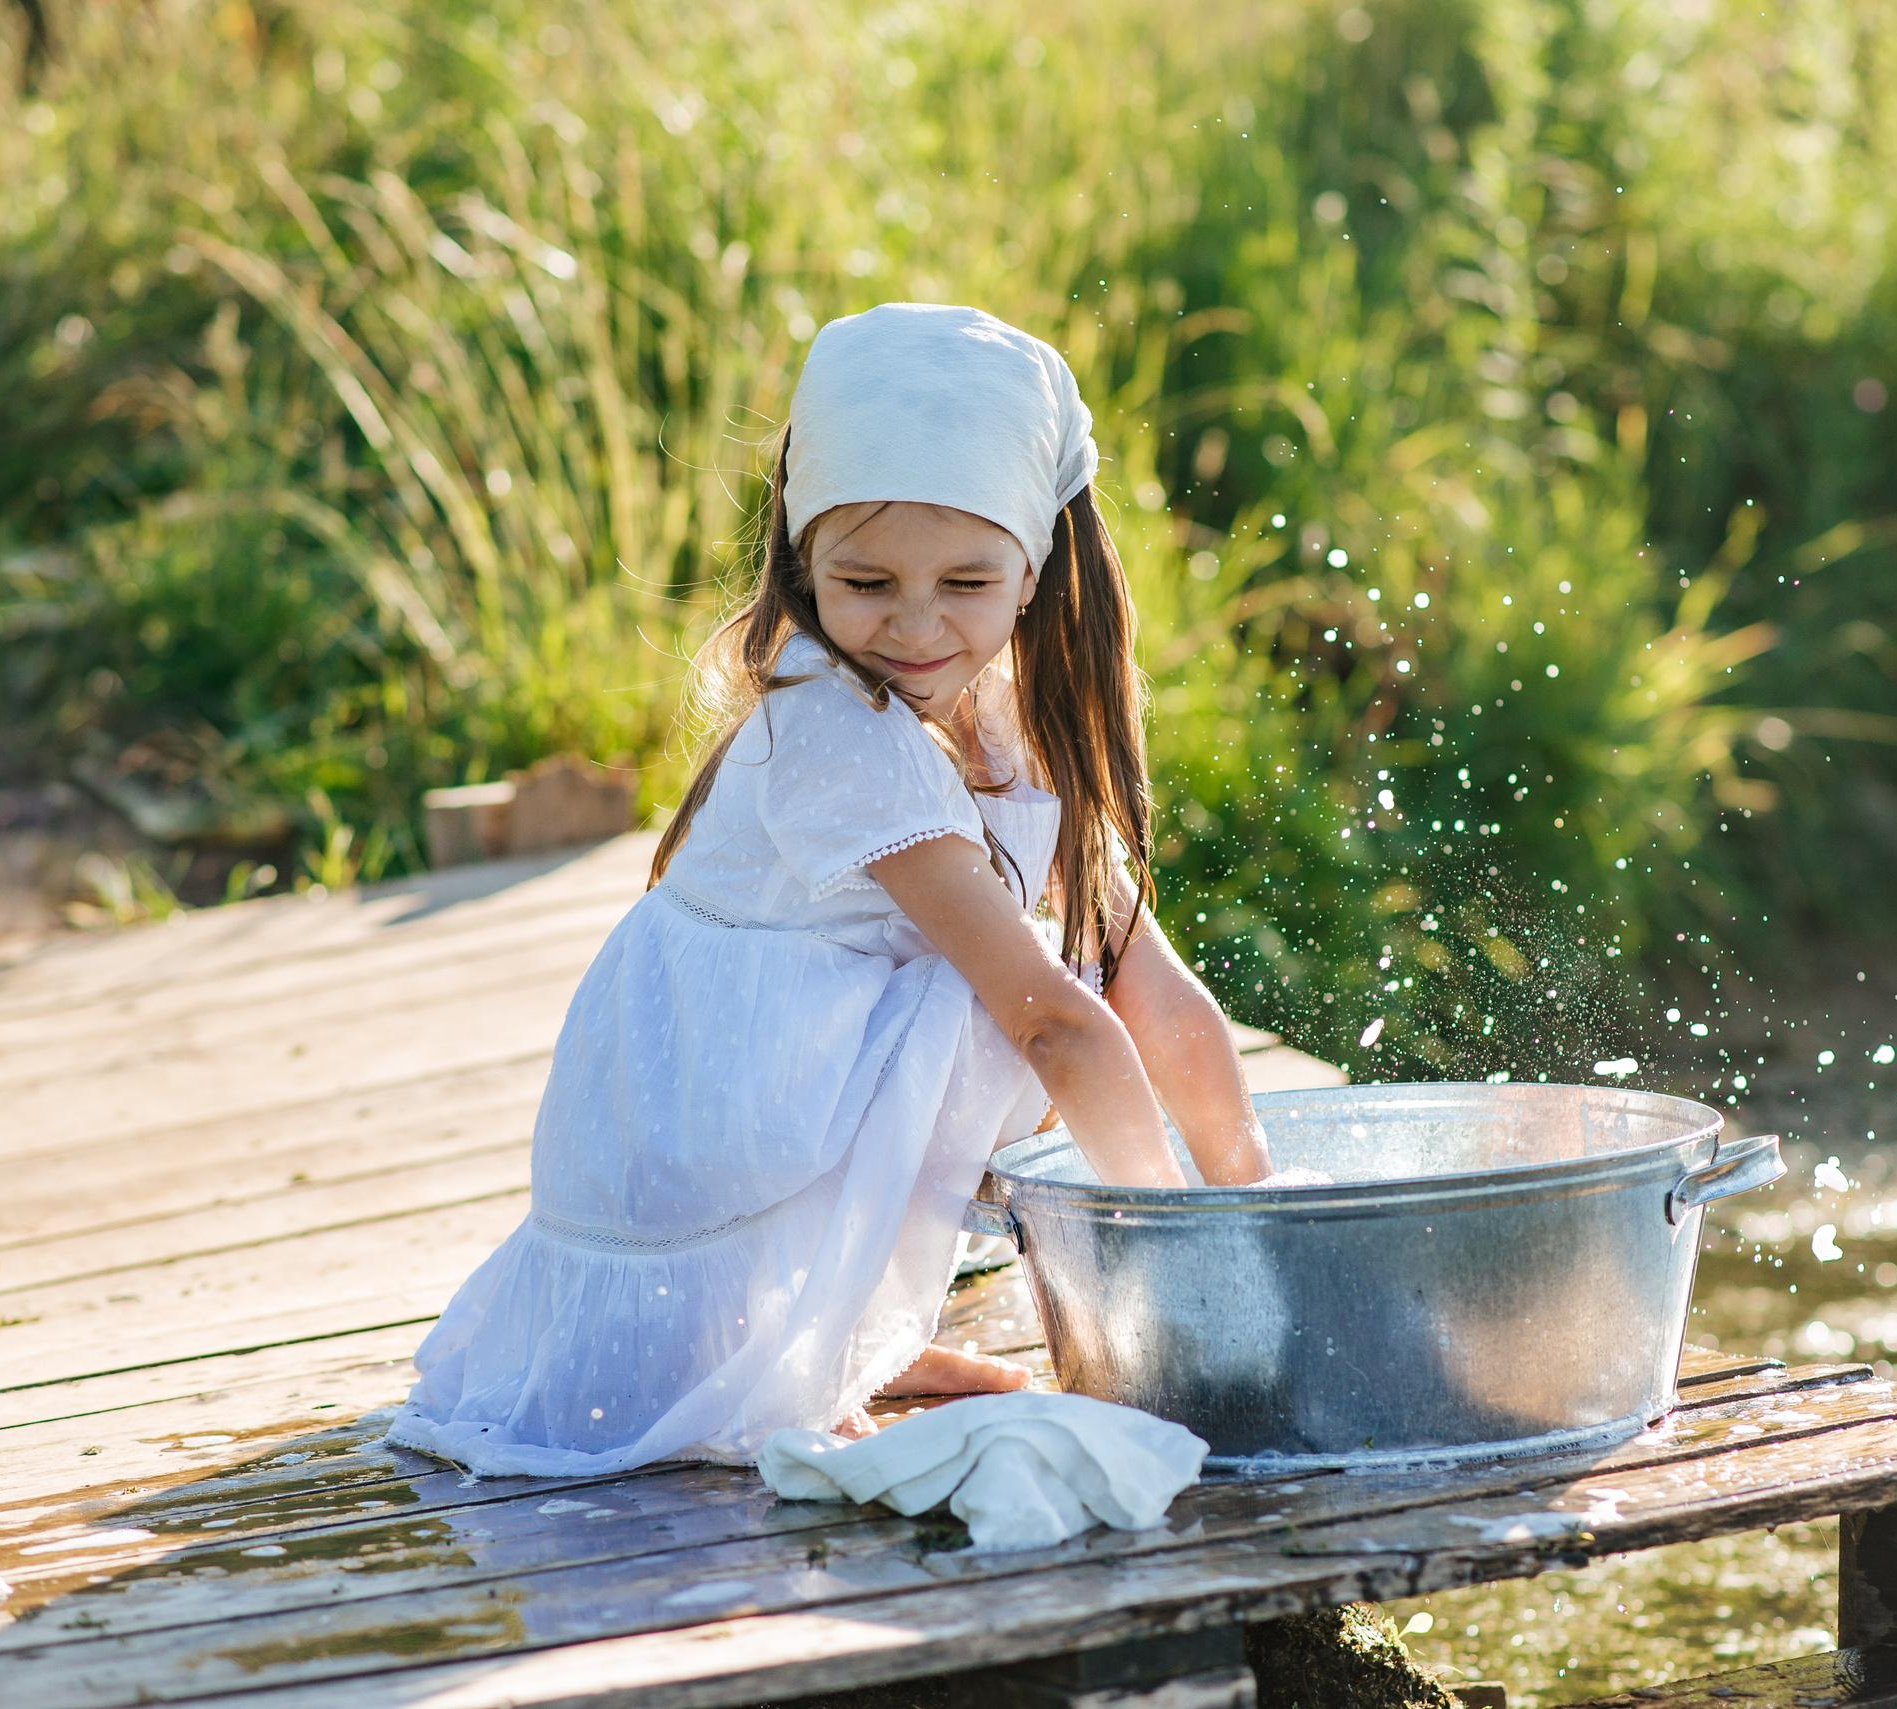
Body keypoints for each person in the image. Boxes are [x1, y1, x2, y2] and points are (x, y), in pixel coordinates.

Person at [389, 303, 1274, 1478]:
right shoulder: (834, 728)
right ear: (803, 559)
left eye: (965, 580)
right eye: (864, 581)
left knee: (1068, 955)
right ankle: (762, 1355)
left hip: (783, 1095)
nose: (913, 627)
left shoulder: (1005, 714)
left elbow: (1146, 984)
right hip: (693, 1134)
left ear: (1034, 566)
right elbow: (1057, 1022)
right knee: (1015, 996)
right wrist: (1185, 1277)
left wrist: (1259, 1201)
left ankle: (844, 1331)